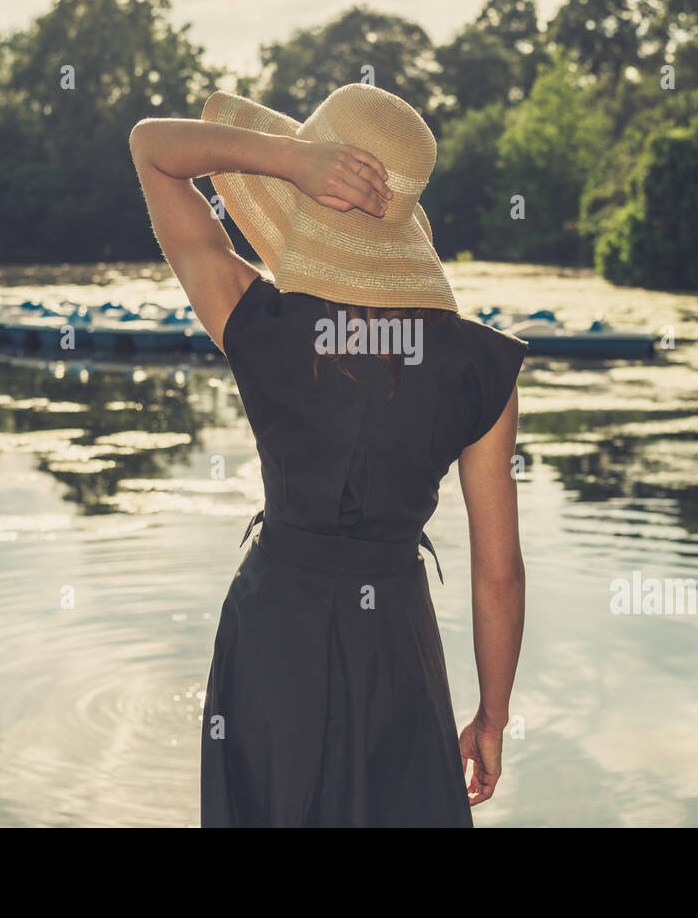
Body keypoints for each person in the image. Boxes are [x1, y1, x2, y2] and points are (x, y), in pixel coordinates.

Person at [128, 83, 527, 827]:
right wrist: (492, 717)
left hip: (273, 631)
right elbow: (497, 573)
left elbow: (151, 148)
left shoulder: (260, 322)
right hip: (396, 644)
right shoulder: (480, 371)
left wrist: (289, 159)